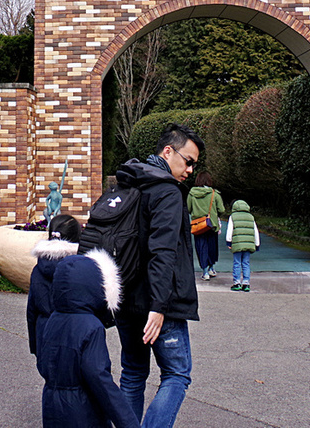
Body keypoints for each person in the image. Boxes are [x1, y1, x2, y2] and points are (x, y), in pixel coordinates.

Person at [112, 123, 202, 428]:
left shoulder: (128, 184)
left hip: (125, 297)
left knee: (134, 372)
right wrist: (160, 306)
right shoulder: (167, 192)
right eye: (188, 161)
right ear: (168, 151)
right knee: (177, 374)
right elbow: (163, 252)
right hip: (159, 303)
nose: (190, 170)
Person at [37, 249, 139, 428]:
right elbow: (99, 377)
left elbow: (44, 361)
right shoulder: (91, 326)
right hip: (83, 410)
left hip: (52, 405)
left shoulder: (53, 319)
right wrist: (128, 422)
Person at [27, 213, 82, 358]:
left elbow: (31, 311)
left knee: (50, 378)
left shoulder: (38, 270)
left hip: (45, 332)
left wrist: (35, 346)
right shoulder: (83, 268)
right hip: (75, 332)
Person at [186, 171, 224, 280]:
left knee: (201, 247)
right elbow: (221, 209)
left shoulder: (191, 193)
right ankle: (212, 268)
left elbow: (188, 208)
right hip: (211, 225)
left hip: (198, 225)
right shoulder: (214, 194)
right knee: (212, 247)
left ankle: (204, 271)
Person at [225, 200, 260, 292]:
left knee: (237, 262)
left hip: (237, 243)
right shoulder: (251, 217)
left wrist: (229, 242)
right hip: (248, 244)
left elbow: (230, 230)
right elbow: (255, 230)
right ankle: (246, 283)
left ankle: (237, 283)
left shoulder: (233, 216)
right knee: (246, 263)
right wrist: (257, 243)